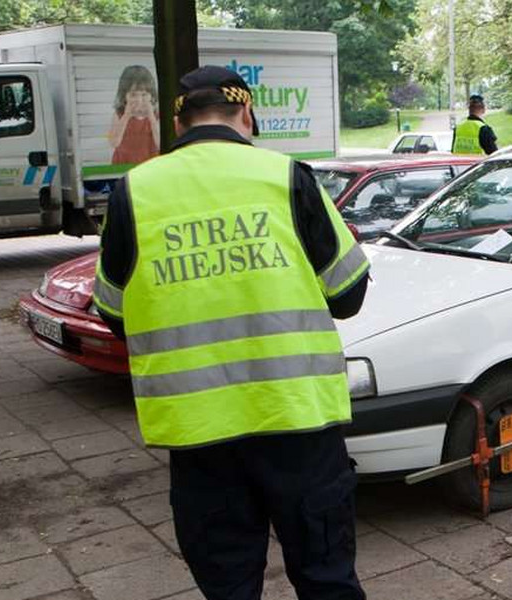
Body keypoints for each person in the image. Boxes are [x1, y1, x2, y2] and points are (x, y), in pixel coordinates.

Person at [93, 65, 370, 600]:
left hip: (199, 433)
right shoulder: (288, 177)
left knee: (228, 587)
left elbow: (113, 312)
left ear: (179, 122)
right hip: (297, 420)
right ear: (247, 114)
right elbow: (348, 294)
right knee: (327, 579)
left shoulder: (134, 192)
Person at [108, 65, 160, 165]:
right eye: (133, 95)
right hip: (123, 164)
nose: (139, 100)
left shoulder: (156, 115)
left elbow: (160, 144)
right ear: (124, 96)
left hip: (150, 164)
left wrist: (151, 117)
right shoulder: (119, 114)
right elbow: (114, 142)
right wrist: (126, 116)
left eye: (144, 94)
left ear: (151, 95)